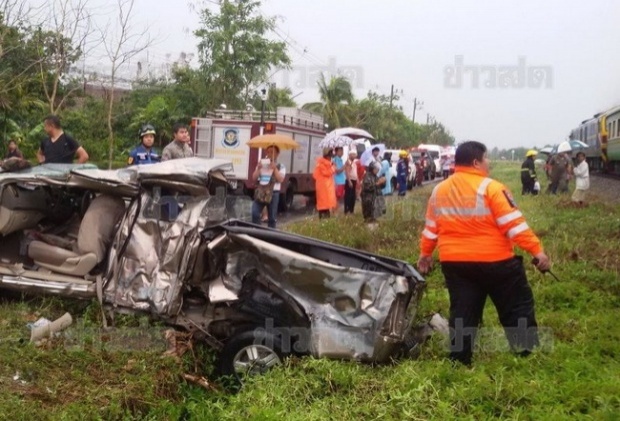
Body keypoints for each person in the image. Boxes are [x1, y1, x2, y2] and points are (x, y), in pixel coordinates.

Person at [417, 141, 551, 366]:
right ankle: (526, 353)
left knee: (463, 311)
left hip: (456, 264)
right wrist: (538, 252)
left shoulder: (438, 191)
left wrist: (425, 254)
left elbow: (431, 229)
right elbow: (514, 226)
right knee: (516, 306)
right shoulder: (491, 188)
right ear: (476, 162)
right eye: (486, 158)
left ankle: (459, 360)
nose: (488, 163)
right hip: (496, 262)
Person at [251, 145, 285, 229]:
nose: (270, 154)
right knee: (254, 212)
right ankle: (259, 232)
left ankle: (270, 235)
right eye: (268, 152)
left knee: (272, 218)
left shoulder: (281, 166)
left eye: (272, 152)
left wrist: (275, 169)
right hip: (261, 192)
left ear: (277, 154)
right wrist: (258, 169)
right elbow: (254, 178)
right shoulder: (262, 164)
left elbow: (280, 179)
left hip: (274, 192)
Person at [313, 148, 336, 219]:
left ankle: (325, 221)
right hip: (323, 189)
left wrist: (331, 165)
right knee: (323, 207)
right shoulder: (322, 164)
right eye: (330, 156)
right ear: (327, 156)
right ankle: (323, 222)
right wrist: (333, 167)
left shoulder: (325, 163)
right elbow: (328, 173)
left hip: (325, 189)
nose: (331, 158)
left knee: (326, 207)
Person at [344, 149, 359, 214]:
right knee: (348, 196)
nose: (354, 156)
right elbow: (347, 172)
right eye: (353, 154)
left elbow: (355, 172)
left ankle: (351, 210)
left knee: (353, 196)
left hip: (354, 180)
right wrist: (349, 181)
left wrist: (357, 180)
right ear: (350, 155)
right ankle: (347, 210)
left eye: (355, 154)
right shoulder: (348, 162)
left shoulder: (354, 163)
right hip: (349, 180)